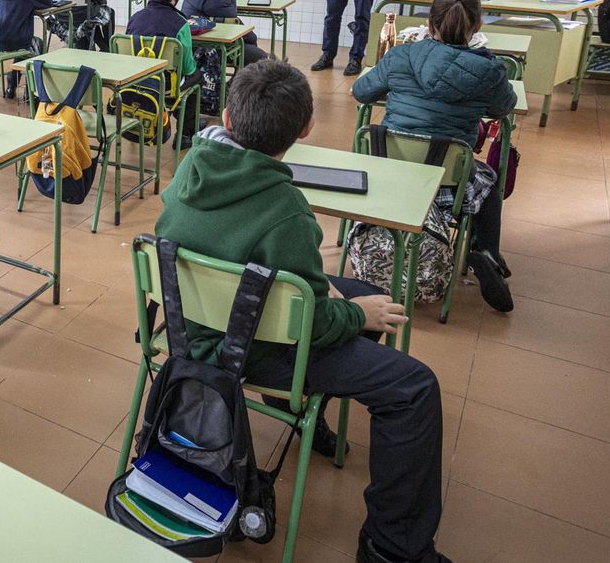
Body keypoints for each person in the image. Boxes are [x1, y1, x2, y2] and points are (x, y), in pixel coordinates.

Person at [157, 61, 448, 563]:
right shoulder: (287, 210)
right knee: (414, 387)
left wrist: (342, 299)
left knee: (360, 290)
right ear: (306, 129)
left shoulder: (190, 166)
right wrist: (355, 316)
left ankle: (297, 405)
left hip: (185, 331)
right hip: (243, 348)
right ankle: (392, 548)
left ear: (225, 118)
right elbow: (313, 322)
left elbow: (291, 289)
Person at [351, 0, 516, 312]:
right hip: (448, 186)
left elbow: (361, 92)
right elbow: (503, 108)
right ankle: (486, 252)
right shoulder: (489, 71)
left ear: (429, 24)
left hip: (389, 174)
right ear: (478, 26)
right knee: (488, 182)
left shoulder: (399, 56)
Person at [124, 0, 198, 141]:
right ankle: (186, 133)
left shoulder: (135, 18)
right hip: (165, 86)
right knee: (196, 77)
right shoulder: (181, 24)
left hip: (134, 80)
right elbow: (187, 68)